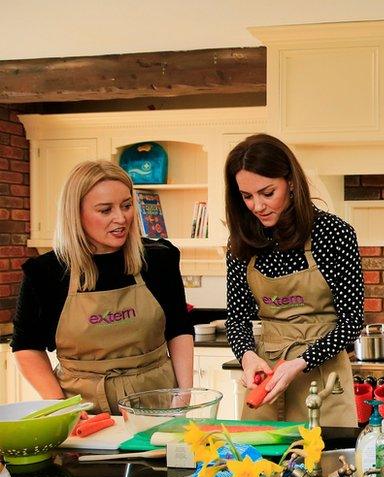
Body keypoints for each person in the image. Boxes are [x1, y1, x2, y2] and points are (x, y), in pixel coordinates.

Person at [12, 160, 193, 414]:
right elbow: (27, 347)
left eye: (127, 206)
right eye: (105, 210)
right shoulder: (45, 273)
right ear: (76, 213)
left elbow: (179, 327)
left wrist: (183, 395)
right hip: (80, 409)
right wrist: (62, 408)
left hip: (157, 402)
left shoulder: (159, 259)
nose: (121, 218)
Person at [224, 133, 363, 426]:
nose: (257, 206)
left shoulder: (334, 234)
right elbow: (237, 319)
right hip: (266, 381)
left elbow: (351, 322)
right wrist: (248, 356)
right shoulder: (242, 241)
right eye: (246, 197)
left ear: (290, 182)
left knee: (323, 467)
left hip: (324, 381)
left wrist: (301, 363)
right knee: (258, 468)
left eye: (267, 192)